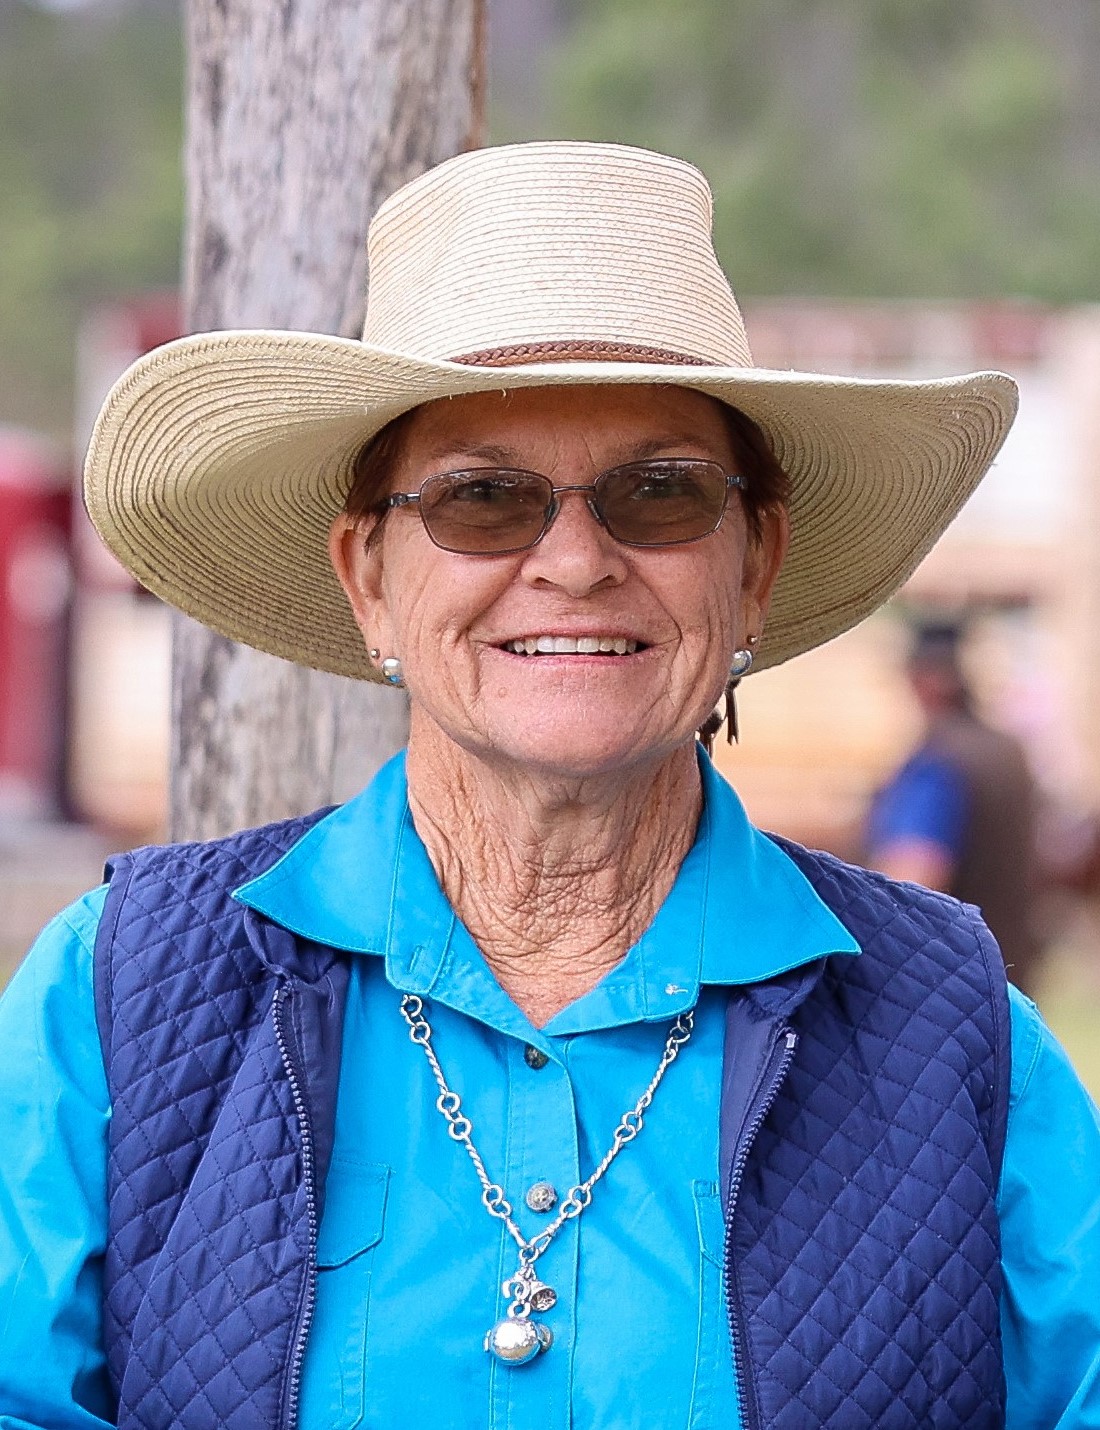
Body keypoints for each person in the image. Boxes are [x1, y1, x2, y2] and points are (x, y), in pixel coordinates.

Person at [1, 141, 1098, 1430]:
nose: (574, 561)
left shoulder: (957, 1034)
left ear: (753, 568)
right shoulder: (118, 992)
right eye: (480, 497)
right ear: (368, 575)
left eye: (661, 490)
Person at [867, 619, 1043, 996]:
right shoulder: (1009, 753)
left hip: (948, 998)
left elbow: (907, 888)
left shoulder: (938, 764)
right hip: (1010, 992)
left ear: (924, 681)